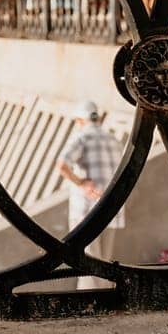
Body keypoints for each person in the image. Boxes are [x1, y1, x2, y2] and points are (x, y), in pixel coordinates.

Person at [56, 98, 126, 290]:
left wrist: (81, 183)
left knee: (86, 264)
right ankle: (108, 305)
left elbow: (62, 164)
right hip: (111, 211)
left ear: (80, 120)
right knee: (105, 264)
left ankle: (90, 307)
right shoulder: (114, 141)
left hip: (87, 212)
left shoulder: (81, 137)